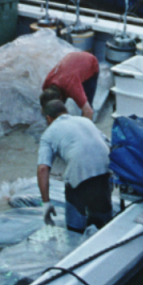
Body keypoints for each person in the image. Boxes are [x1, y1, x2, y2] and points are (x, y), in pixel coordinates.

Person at [37, 98, 113, 233]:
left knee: (75, 223)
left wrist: (46, 203)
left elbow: (43, 169)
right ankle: (104, 227)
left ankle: (76, 230)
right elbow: (108, 145)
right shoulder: (85, 121)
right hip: (105, 168)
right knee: (103, 219)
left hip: (80, 171)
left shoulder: (48, 134)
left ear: (48, 118)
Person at [42, 49, 99, 120]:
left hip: (89, 62)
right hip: (72, 60)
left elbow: (89, 112)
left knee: (87, 105)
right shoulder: (46, 84)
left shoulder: (72, 87)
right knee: (55, 112)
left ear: (60, 97)